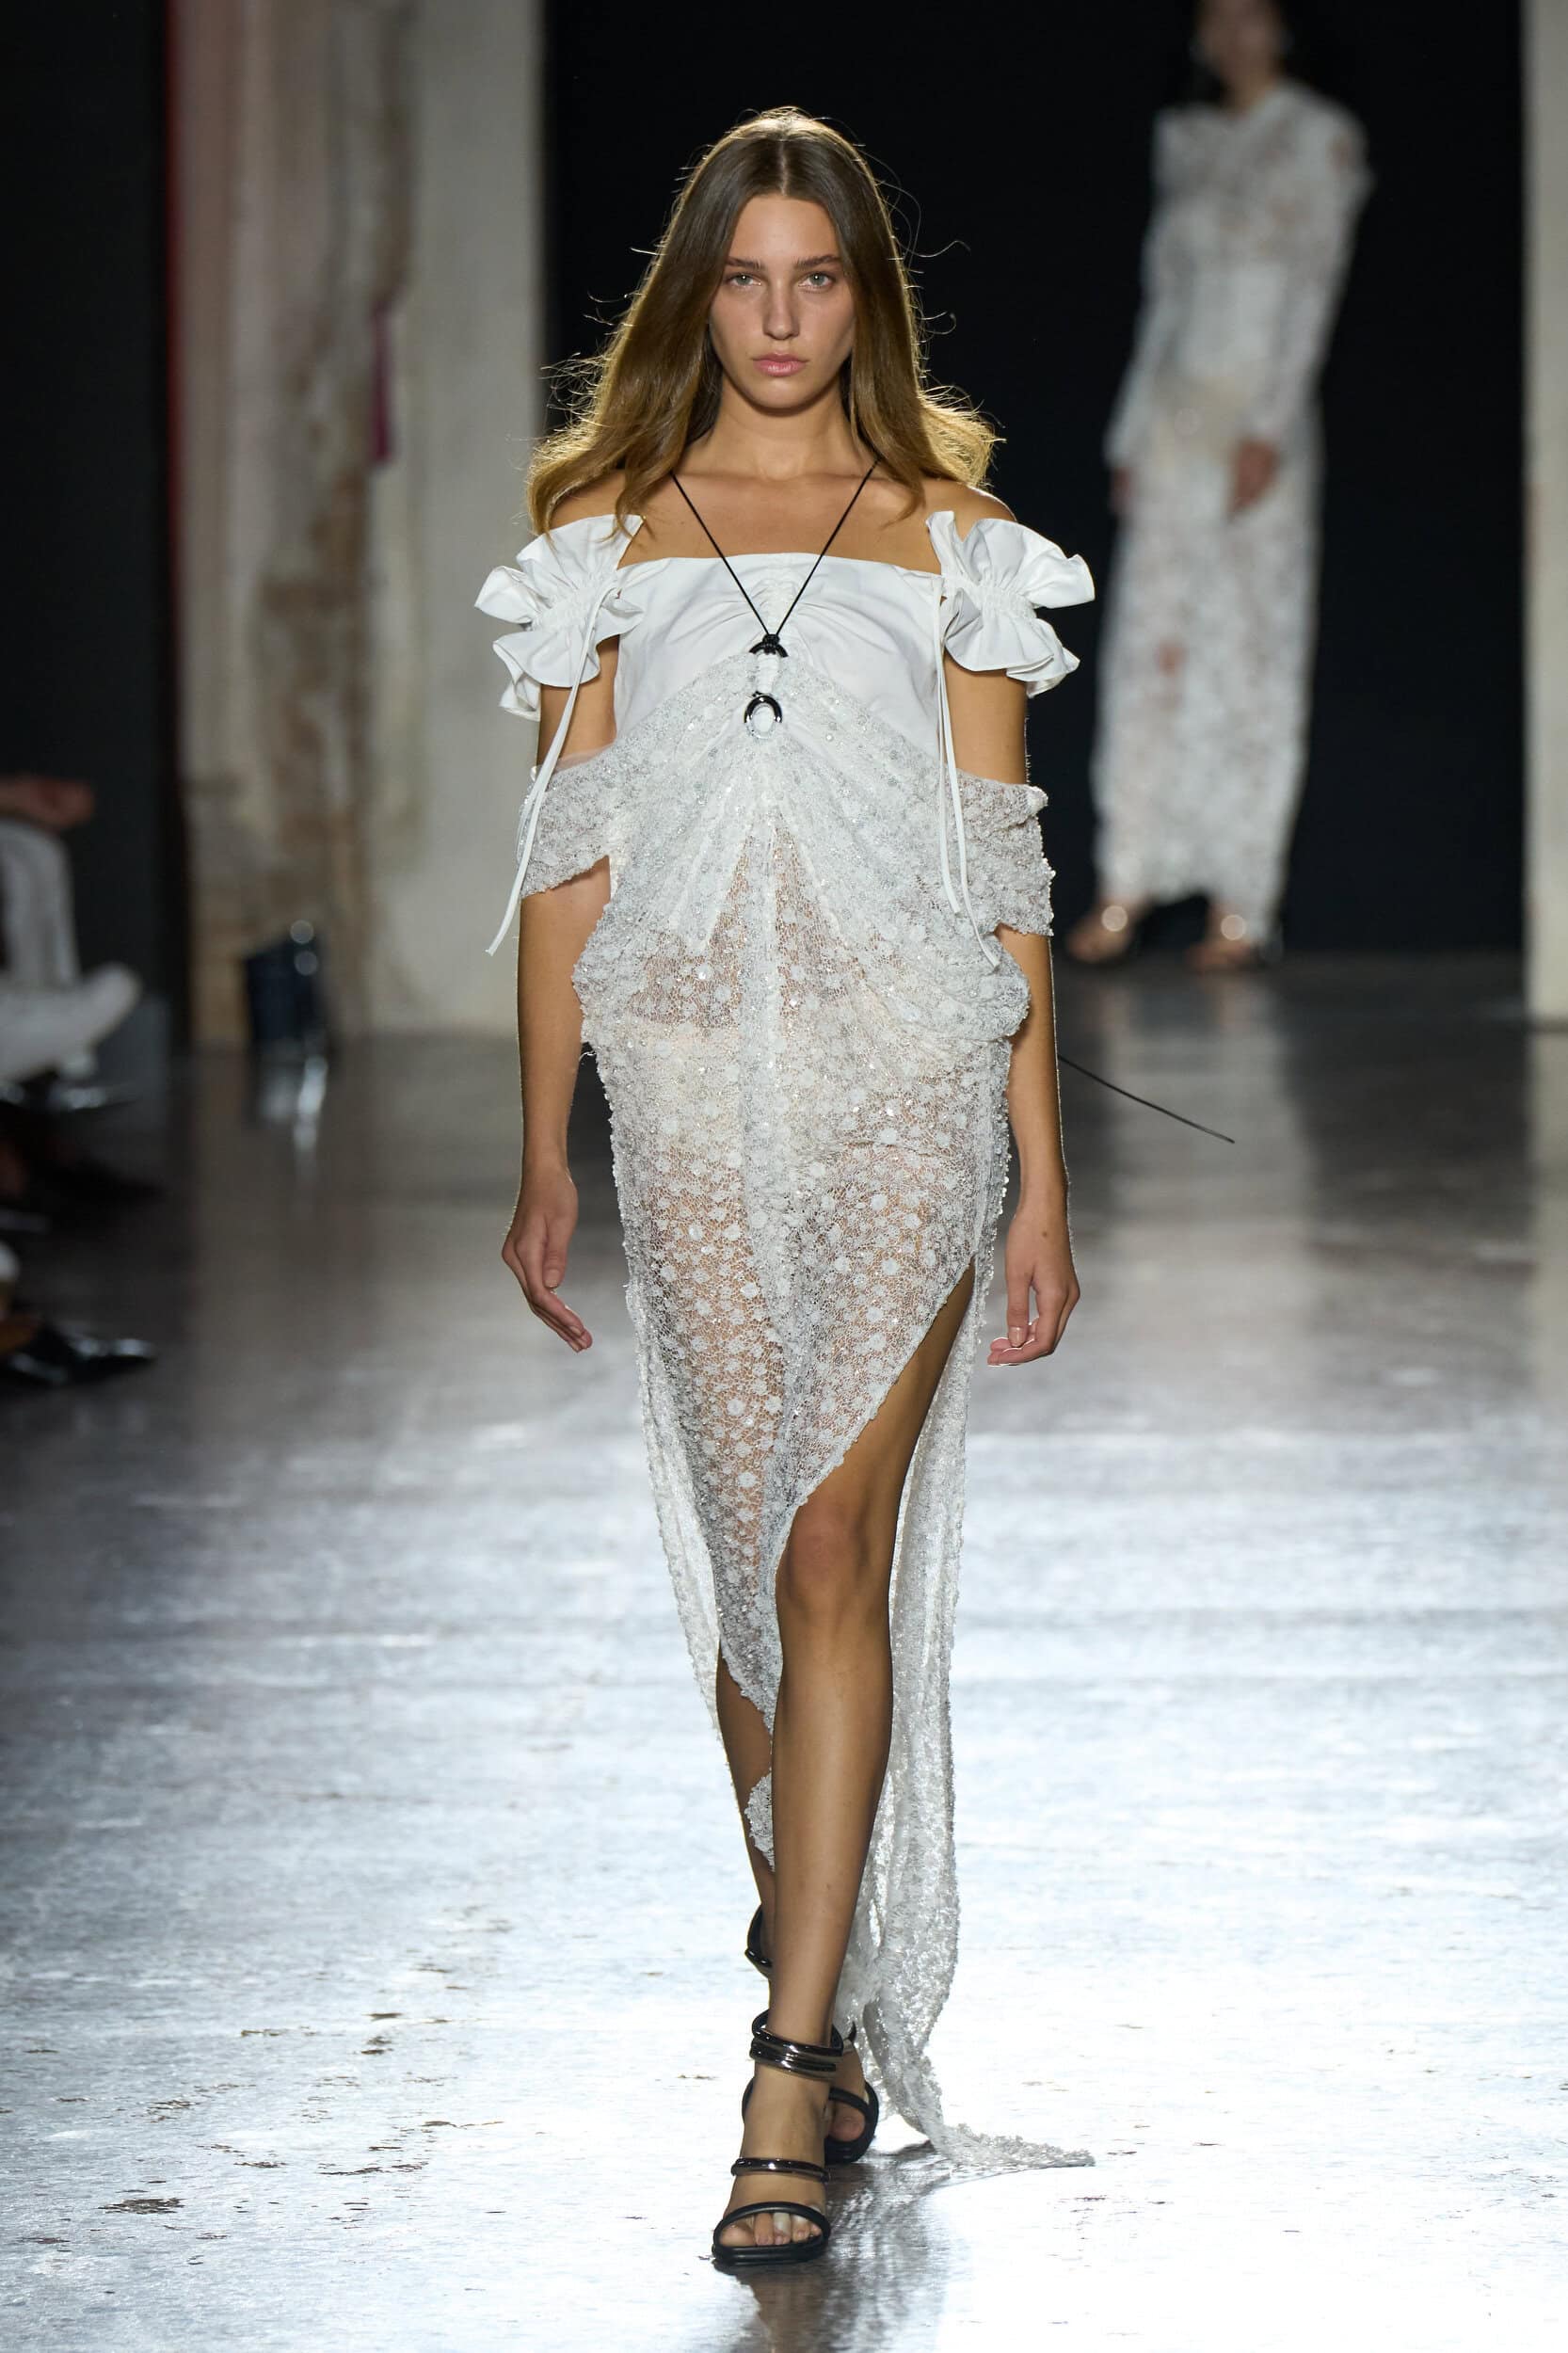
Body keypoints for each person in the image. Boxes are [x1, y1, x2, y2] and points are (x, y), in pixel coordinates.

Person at [476, 108, 1095, 2268]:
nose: (775, 316)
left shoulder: (956, 544)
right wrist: (538, 1149)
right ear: (694, 292)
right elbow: (566, 868)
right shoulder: (602, 540)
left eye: (814, 277)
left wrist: (1038, 1176)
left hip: (906, 1082)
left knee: (834, 1538)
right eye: (741, 277)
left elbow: (1003, 876)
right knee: (760, 1575)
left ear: (864, 299)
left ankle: (782, 2060)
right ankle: (812, 1973)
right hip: (684, 1087)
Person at [1068, 0, 1369, 971]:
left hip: (1253, 419)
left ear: (1281, 25)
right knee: (1150, 646)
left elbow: (1315, 285)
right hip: (1173, 418)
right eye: (1218, 17)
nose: (1234, 35)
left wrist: (1269, 425)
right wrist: (1128, 429)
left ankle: (1242, 898)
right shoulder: (1186, 137)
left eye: (1251, 14)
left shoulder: (1318, 136)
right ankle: (1126, 879)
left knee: (1248, 648)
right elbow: (1163, 296)